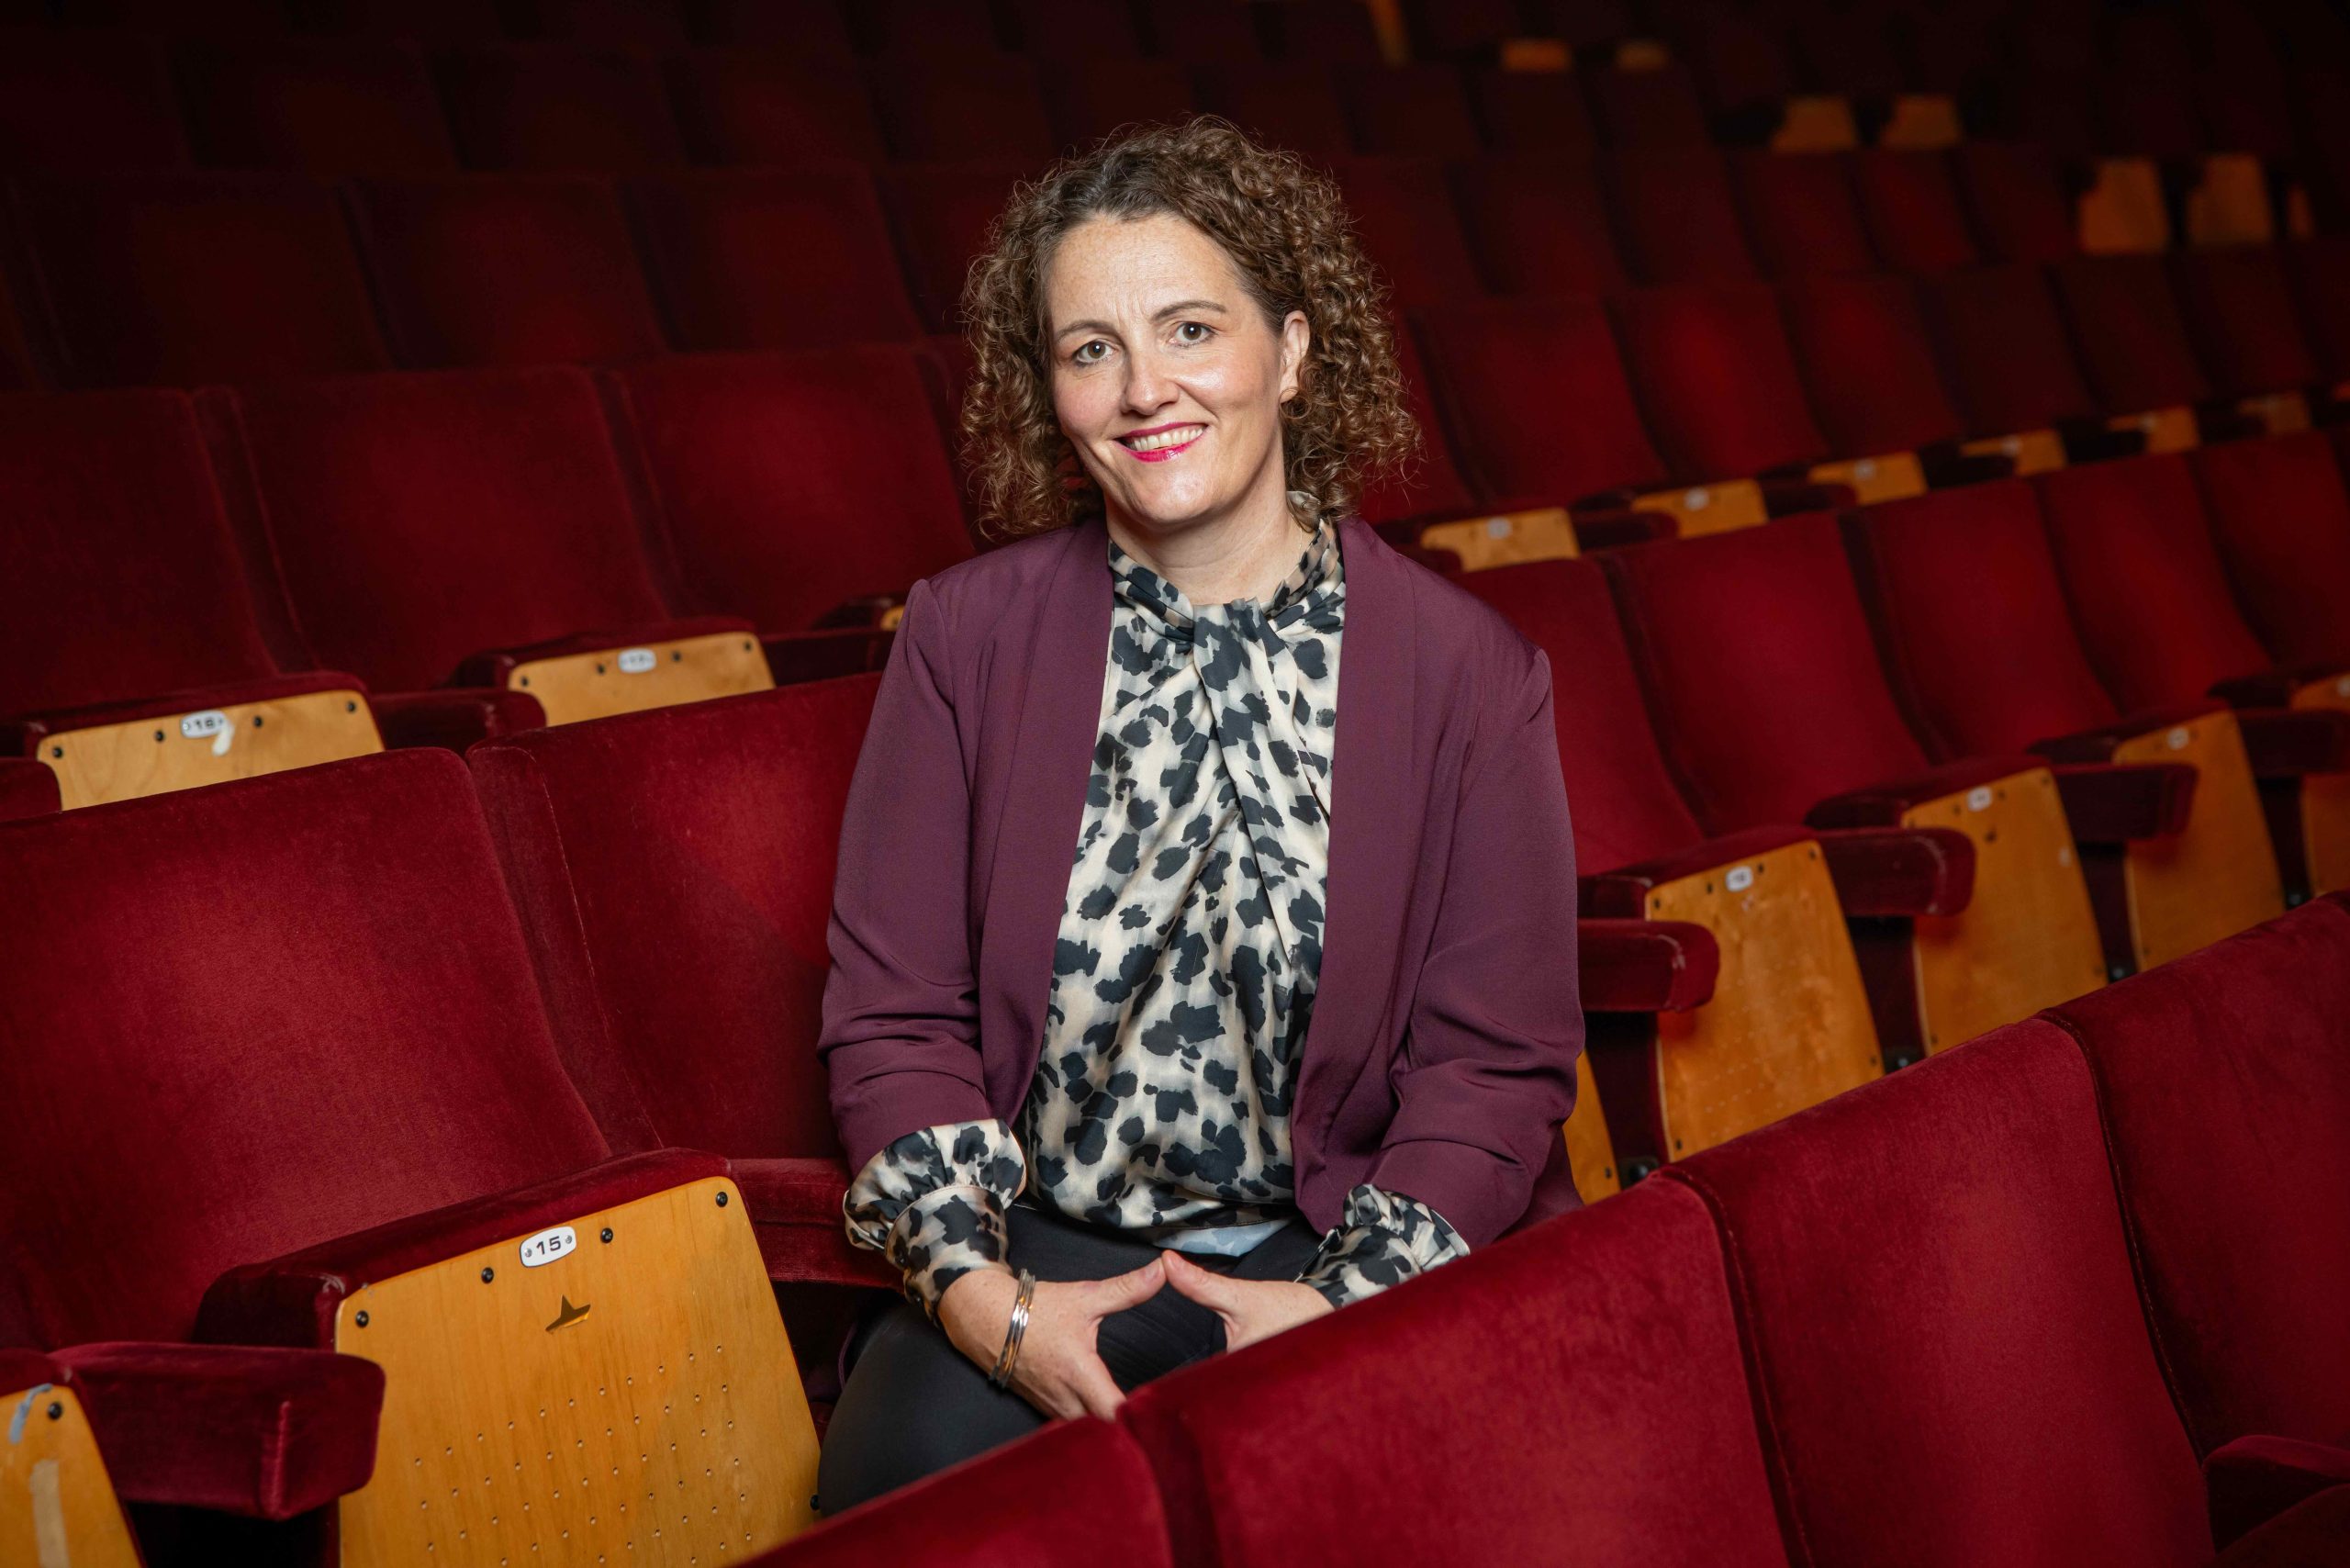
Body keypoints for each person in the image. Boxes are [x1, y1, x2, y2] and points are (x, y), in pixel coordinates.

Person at [813, 116, 1583, 1513]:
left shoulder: (1473, 675)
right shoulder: (962, 639)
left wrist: (1345, 1307)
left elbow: (1497, 1061)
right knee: (901, 1496)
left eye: (1188, 329)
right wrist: (996, 1311)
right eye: (1089, 349)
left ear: (1290, 352)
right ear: (1046, 389)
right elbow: (895, 1019)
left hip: (1334, 1241)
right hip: (1042, 1250)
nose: (1142, 391)